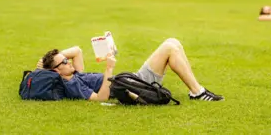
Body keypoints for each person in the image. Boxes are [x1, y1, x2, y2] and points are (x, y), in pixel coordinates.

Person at [36, 38, 224, 102]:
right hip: (134, 85)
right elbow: (100, 98)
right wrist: (109, 69)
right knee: (169, 47)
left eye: (66, 60)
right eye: (64, 63)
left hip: (132, 79)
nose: (69, 62)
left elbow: (77, 50)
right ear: (57, 72)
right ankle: (197, 92)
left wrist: (46, 63)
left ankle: (195, 89)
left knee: (173, 42)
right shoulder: (72, 84)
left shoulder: (72, 73)